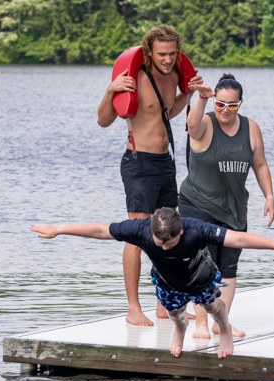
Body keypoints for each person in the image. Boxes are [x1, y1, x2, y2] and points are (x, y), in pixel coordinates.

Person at [29, 208, 274, 358]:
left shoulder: (197, 230)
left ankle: (224, 329)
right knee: (174, 313)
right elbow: (101, 230)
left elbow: (237, 238)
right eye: (158, 243)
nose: (163, 248)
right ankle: (180, 329)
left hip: (198, 275)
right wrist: (59, 229)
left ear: (182, 231)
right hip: (168, 281)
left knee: (214, 307)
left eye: (171, 242)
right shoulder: (141, 229)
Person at [97, 25, 203, 327]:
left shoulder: (172, 79)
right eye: (162, 54)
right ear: (149, 51)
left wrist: (189, 93)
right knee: (136, 234)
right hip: (139, 163)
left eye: (172, 54)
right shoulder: (134, 78)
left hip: (165, 163)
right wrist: (110, 91)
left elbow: (165, 114)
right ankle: (133, 307)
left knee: (167, 233)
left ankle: (163, 304)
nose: (168, 60)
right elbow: (103, 121)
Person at [182, 73, 274, 339]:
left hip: (234, 208)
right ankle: (201, 322)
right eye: (220, 104)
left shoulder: (250, 128)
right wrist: (202, 98)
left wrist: (269, 197)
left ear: (240, 104)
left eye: (231, 105)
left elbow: (259, 163)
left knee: (229, 269)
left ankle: (221, 321)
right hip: (198, 204)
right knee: (202, 266)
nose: (225, 110)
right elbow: (192, 125)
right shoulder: (205, 123)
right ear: (214, 103)